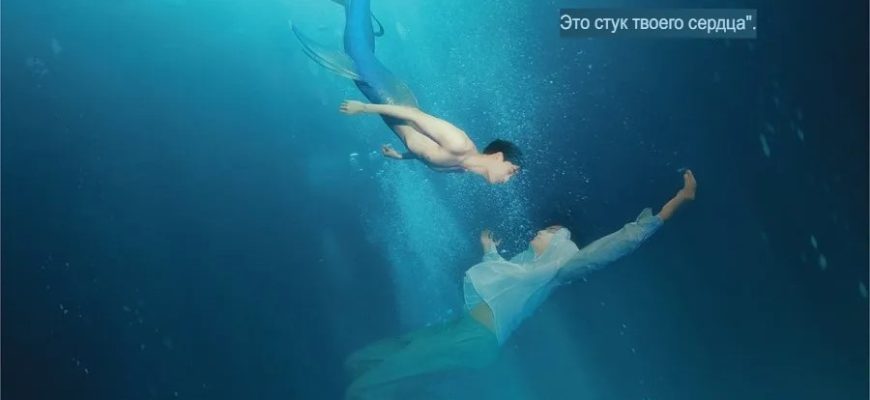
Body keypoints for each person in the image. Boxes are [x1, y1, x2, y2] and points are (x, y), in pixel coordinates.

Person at [343, 170, 697, 399]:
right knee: (359, 363)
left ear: (561, 240)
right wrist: (489, 249)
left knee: (363, 390)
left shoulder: (561, 267)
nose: (539, 232)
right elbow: (499, 280)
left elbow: (620, 243)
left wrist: (678, 201)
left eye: (548, 230)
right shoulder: (526, 266)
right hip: (457, 331)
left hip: (473, 341)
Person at [290, 0, 522, 184]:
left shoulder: (460, 169)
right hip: (393, 99)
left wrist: (400, 156)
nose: (508, 178)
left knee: (362, 58)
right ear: (497, 156)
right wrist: (364, 108)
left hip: (390, 113)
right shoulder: (458, 143)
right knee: (357, 60)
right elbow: (413, 115)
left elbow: (426, 154)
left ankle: (354, 5)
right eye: (511, 171)